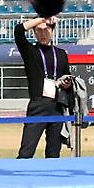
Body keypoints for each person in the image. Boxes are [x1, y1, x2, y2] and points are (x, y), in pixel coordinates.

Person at [14, 17, 72, 159]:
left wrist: (67, 84)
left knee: (54, 154)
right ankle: (17, 180)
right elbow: (18, 31)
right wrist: (41, 17)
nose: (43, 33)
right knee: (26, 153)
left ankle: (51, 181)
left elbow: (68, 77)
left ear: (52, 30)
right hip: (38, 106)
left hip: (57, 106)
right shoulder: (30, 52)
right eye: (38, 30)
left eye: (46, 29)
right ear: (34, 32)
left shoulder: (61, 54)